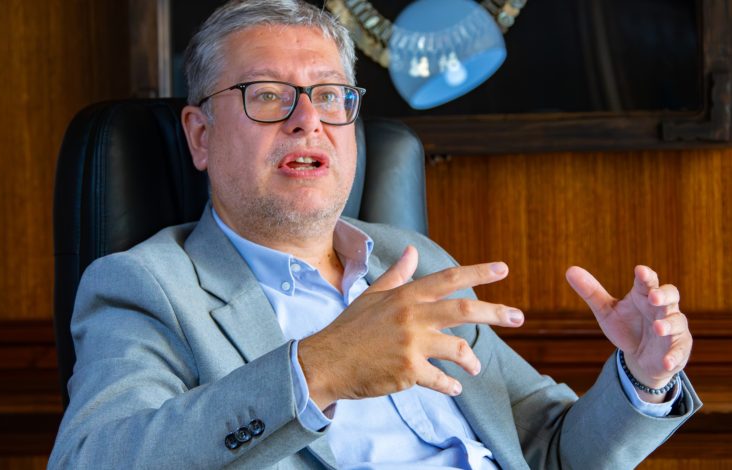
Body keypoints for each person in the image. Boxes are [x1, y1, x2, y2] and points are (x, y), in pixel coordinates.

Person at [48, 0, 700, 468]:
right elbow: (90, 458)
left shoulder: (412, 260)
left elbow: (549, 448)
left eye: (331, 95)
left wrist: (642, 380)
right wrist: (319, 369)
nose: (308, 120)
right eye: (268, 95)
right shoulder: (147, 287)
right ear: (200, 135)